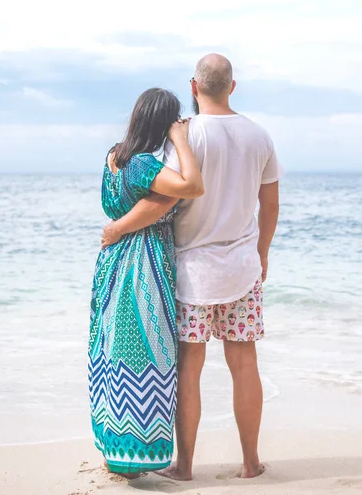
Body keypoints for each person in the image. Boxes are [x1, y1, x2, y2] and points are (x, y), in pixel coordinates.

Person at [101, 54, 283, 480]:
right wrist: (263, 253)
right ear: (232, 87)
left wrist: (116, 229)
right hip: (241, 267)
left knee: (189, 369)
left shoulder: (181, 135)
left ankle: (184, 466)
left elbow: (162, 198)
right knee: (244, 365)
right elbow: (269, 205)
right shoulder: (260, 135)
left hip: (191, 271)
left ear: (194, 87)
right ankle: (251, 463)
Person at [89, 88, 204, 478]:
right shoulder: (142, 164)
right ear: (163, 123)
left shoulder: (114, 155)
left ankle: (113, 450)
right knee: (146, 353)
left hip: (112, 263)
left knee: (111, 352)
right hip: (143, 263)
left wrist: (119, 226)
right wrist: (181, 140)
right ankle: (136, 458)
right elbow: (192, 186)